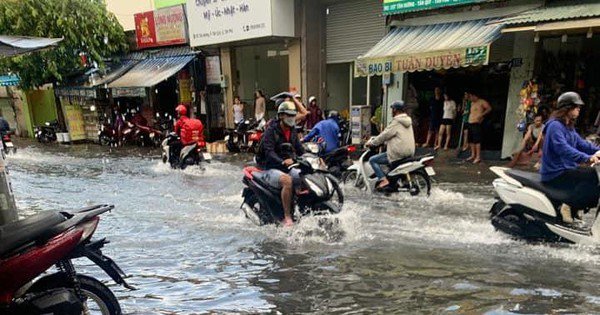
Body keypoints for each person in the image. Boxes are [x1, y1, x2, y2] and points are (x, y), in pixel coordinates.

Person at [540, 92, 600, 225]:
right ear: (566, 108)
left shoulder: (569, 127)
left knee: (592, 182)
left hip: (567, 169)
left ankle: (574, 207)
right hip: (555, 172)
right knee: (590, 175)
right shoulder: (555, 126)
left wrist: (597, 151)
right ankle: (568, 205)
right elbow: (563, 149)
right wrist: (588, 158)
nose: (579, 109)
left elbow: (582, 144)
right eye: (576, 107)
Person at [255, 101, 305, 227]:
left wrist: (312, 157)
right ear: (281, 116)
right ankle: (287, 217)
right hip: (269, 168)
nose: (292, 118)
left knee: (303, 177)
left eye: (293, 115)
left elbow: (300, 150)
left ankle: (301, 208)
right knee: (287, 180)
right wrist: (282, 161)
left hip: (287, 166)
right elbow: (269, 152)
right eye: (289, 115)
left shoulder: (292, 131)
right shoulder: (271, 131)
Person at [366, 101, 416, 189]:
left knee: (372, 160)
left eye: (392, 109)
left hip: (398, 152)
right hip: (409, 151)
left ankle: (384, 180)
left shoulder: (396, 121)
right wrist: (385, 143)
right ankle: (394, 181)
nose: (391, 111)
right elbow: (397, 137)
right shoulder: (407, 120)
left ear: (395, 110)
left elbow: (385, 135)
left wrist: (373, 143)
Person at [466, 91, 492, 164]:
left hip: (476, 123)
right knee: (470, 140)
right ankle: (473, 155)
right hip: (470, 122)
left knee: (477, 140)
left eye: (470, 97)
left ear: (474, 96)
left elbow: (489, 108)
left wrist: (482, 115)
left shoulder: (482, 102)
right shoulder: (471, 103)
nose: (470, 98)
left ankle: (478, 156)